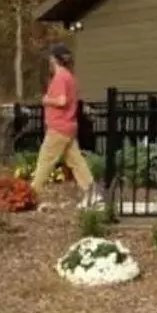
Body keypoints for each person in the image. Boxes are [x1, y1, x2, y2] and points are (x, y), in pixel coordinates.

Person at [34, 44, 98, 205]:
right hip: (68, 126)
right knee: (76, 162)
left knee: (45, 160)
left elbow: (62, 100)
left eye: (51, 57)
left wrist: (46, 100)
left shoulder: (61, 77)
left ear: (55, 59)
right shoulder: (70, 77)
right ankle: (92, 193)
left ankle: (32, 195)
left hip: (58, 127)